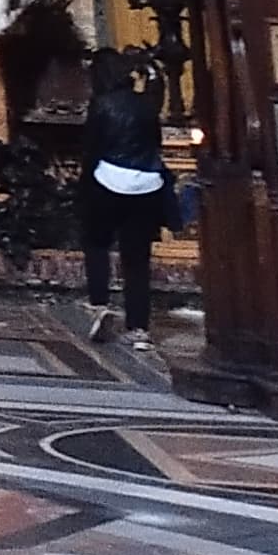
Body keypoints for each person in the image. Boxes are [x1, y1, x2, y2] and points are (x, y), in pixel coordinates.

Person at [81, 44, 171, 352]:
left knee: (96, 243)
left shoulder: (101, 105)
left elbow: (92, 147)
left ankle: (100, 304)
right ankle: (139, 328)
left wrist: (85, 185)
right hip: (146, 184)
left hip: (108, 180)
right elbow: (156, 141)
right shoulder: (147, 104)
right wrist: (149, 67)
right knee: (137, 259)